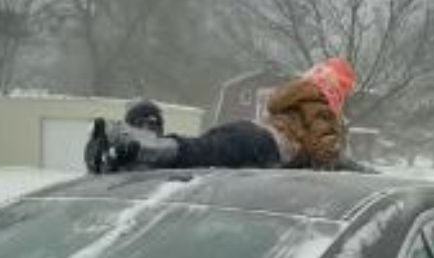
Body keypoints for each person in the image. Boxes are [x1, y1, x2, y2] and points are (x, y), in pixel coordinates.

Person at [87, 57, 369, 173]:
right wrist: (359, 173)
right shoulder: (322, 109)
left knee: (200, 153)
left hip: (251, 133)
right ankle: (131, 147)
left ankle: (137, 149)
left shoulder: (296, 100)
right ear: (335, 93)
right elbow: (326, 153)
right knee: (200, 153)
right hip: (268, 146)